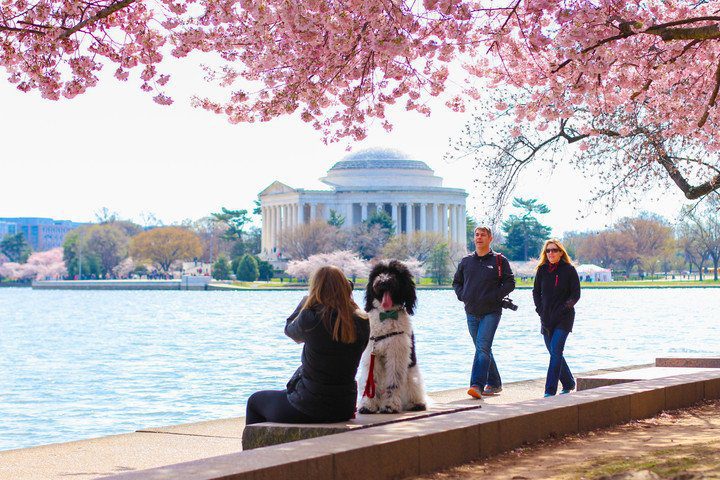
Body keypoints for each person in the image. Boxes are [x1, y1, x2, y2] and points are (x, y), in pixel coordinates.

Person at [245, 266, 369, 425]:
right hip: (344, 407)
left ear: (316, 290)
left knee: (255, 401)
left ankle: (255, 451)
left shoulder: (310, 319)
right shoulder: (362, 321)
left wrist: (306, 301)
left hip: (309, 406)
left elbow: (289, 330)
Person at [452, 226, 515, 399]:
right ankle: (494, 383)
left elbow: (510, 283)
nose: (479, 238)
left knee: (482, 347)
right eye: (476, 235)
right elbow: (456, 283)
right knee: (483, 348)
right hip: (471, 312)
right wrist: (463, 296)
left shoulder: (499, 261)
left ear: (490, 238)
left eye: (483, 235)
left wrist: (494, 296)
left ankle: (476, 385)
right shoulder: (466, 261)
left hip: (491, 312)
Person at [533, 239, 581, 397]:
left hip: (564, 318)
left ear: (561, 252)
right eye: (548, 251)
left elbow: (575, 295)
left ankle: (549, 391)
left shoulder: (569, 270)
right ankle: (568, 382)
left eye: (554, 250)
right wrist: (540, 310)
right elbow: (535, 292)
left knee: (556, 351)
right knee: (554, 351)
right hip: (546, 318)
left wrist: (564, 308)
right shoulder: (542, 270)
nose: (551, 253)